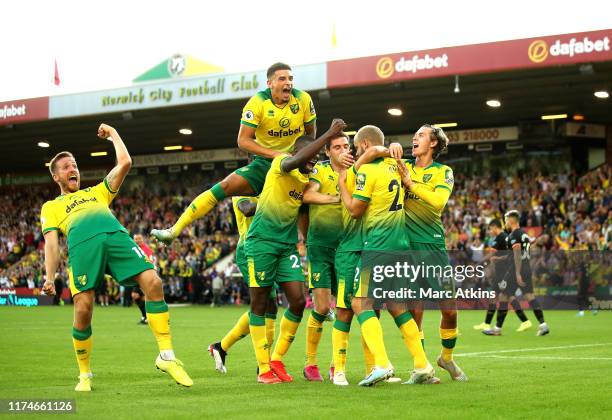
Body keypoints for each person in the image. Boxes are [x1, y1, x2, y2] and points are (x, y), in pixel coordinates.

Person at [40, 124, 192, 391]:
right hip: (83, 249)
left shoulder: (97, 192)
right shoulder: (51, 207)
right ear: (56, 177)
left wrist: (112, 134)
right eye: (65, 167)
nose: (72, 168)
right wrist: (49, 277)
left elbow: (125, 162)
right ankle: (85, 375)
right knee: (83, 309)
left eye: (74, 164)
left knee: (154, 283)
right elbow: (51, 244)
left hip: (117, 238)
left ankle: (167, 357)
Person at [151, 62, 317, 245]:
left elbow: (310, 134)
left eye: (291, 79)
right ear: (270, 83)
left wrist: (300, 158)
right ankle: (173, 231)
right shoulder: (257, 103)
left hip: (294, 164)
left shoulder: (303, 99)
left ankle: (309, 244)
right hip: (265, 163)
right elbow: (243, 141)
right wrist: (276, 155)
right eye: (282, 79)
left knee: (306, 201)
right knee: (224, 186)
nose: (289, 83)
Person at [246, 119, 346, 384]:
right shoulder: (281, 164)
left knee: (299, 300)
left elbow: (293, 201)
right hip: (262, 243)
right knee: (260, 302)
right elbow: (295, 161)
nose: (313, 161)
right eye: (310, 156)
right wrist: (327, 135)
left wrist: (253, 206)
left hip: (287, 245)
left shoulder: (304, 180)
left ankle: (276, 360)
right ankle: (264, 368)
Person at [339, 125, 435, 387]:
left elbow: (355, 210)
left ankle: (382, 364)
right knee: (396, 306)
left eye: (357, 148)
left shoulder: (368, 170)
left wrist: (342, 186)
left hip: (379, 244)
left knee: (360, 303)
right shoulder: (398, 165)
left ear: (365, 146)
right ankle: (422, 364)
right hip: (401, 245)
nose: (356, 152)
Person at [301, 134, 352, 382]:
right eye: (337, 147)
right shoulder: (320, 171)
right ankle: (311, 364)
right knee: (321, 307)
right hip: (320, 246)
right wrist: (336, 199)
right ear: (329, 152)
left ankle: (336, 364)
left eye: (346, 146)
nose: (343, 150)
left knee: (344, 308)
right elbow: (308, 196)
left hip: (345, 248)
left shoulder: (356, 172)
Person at [208, 197, 278, 374]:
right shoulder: (244, 183)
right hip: (250, 250)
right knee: (264, 305)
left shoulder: (268, 182)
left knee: (270, 306)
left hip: (268, 250)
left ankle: (221, 347)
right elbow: (246, 208)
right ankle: (264, 363)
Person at [483, 210, 550, 336]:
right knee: (530, 296)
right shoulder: (524, 234)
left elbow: (517, 253)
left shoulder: (514, 235)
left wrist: (517, 273)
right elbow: (522, 248)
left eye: (506, 220)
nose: (505, 222)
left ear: (511, 220)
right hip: (526, 268)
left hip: (516, 269)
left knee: (503, 296)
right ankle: (543, 325)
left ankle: (497, 329)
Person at [474, 219, 530, 331]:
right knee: (497, 296)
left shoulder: (500, 237)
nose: (489, 232)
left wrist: (478, 263)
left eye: (490, 229)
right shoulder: (505, 237)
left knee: (506, 296)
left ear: (495, 227)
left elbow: (493, 254)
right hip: (501, 273)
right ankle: (487, 323)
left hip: (504, 273)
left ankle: (524, 321)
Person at [133, 234, 154, 324]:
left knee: (140, 296)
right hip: (136, 275)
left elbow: (150, 261)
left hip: (144, 274)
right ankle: (145, 316)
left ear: (143, 239)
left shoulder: (147, 249)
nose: (138, 240)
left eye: (139, 239)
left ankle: (147, 317)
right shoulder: (133, 249)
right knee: (138, 297)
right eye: (136, 239)